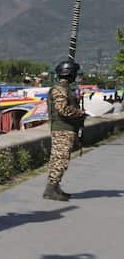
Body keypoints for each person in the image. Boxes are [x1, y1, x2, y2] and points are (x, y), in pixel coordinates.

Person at [44, 57, 87, 201]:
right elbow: (62, 109)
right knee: (59, 159)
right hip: (62, 129)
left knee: (62, 159)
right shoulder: (59, 89)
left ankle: (55, 187)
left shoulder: (66, 89)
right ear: (70, 73)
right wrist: (79, 113)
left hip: (67, 129)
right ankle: (51, 189)